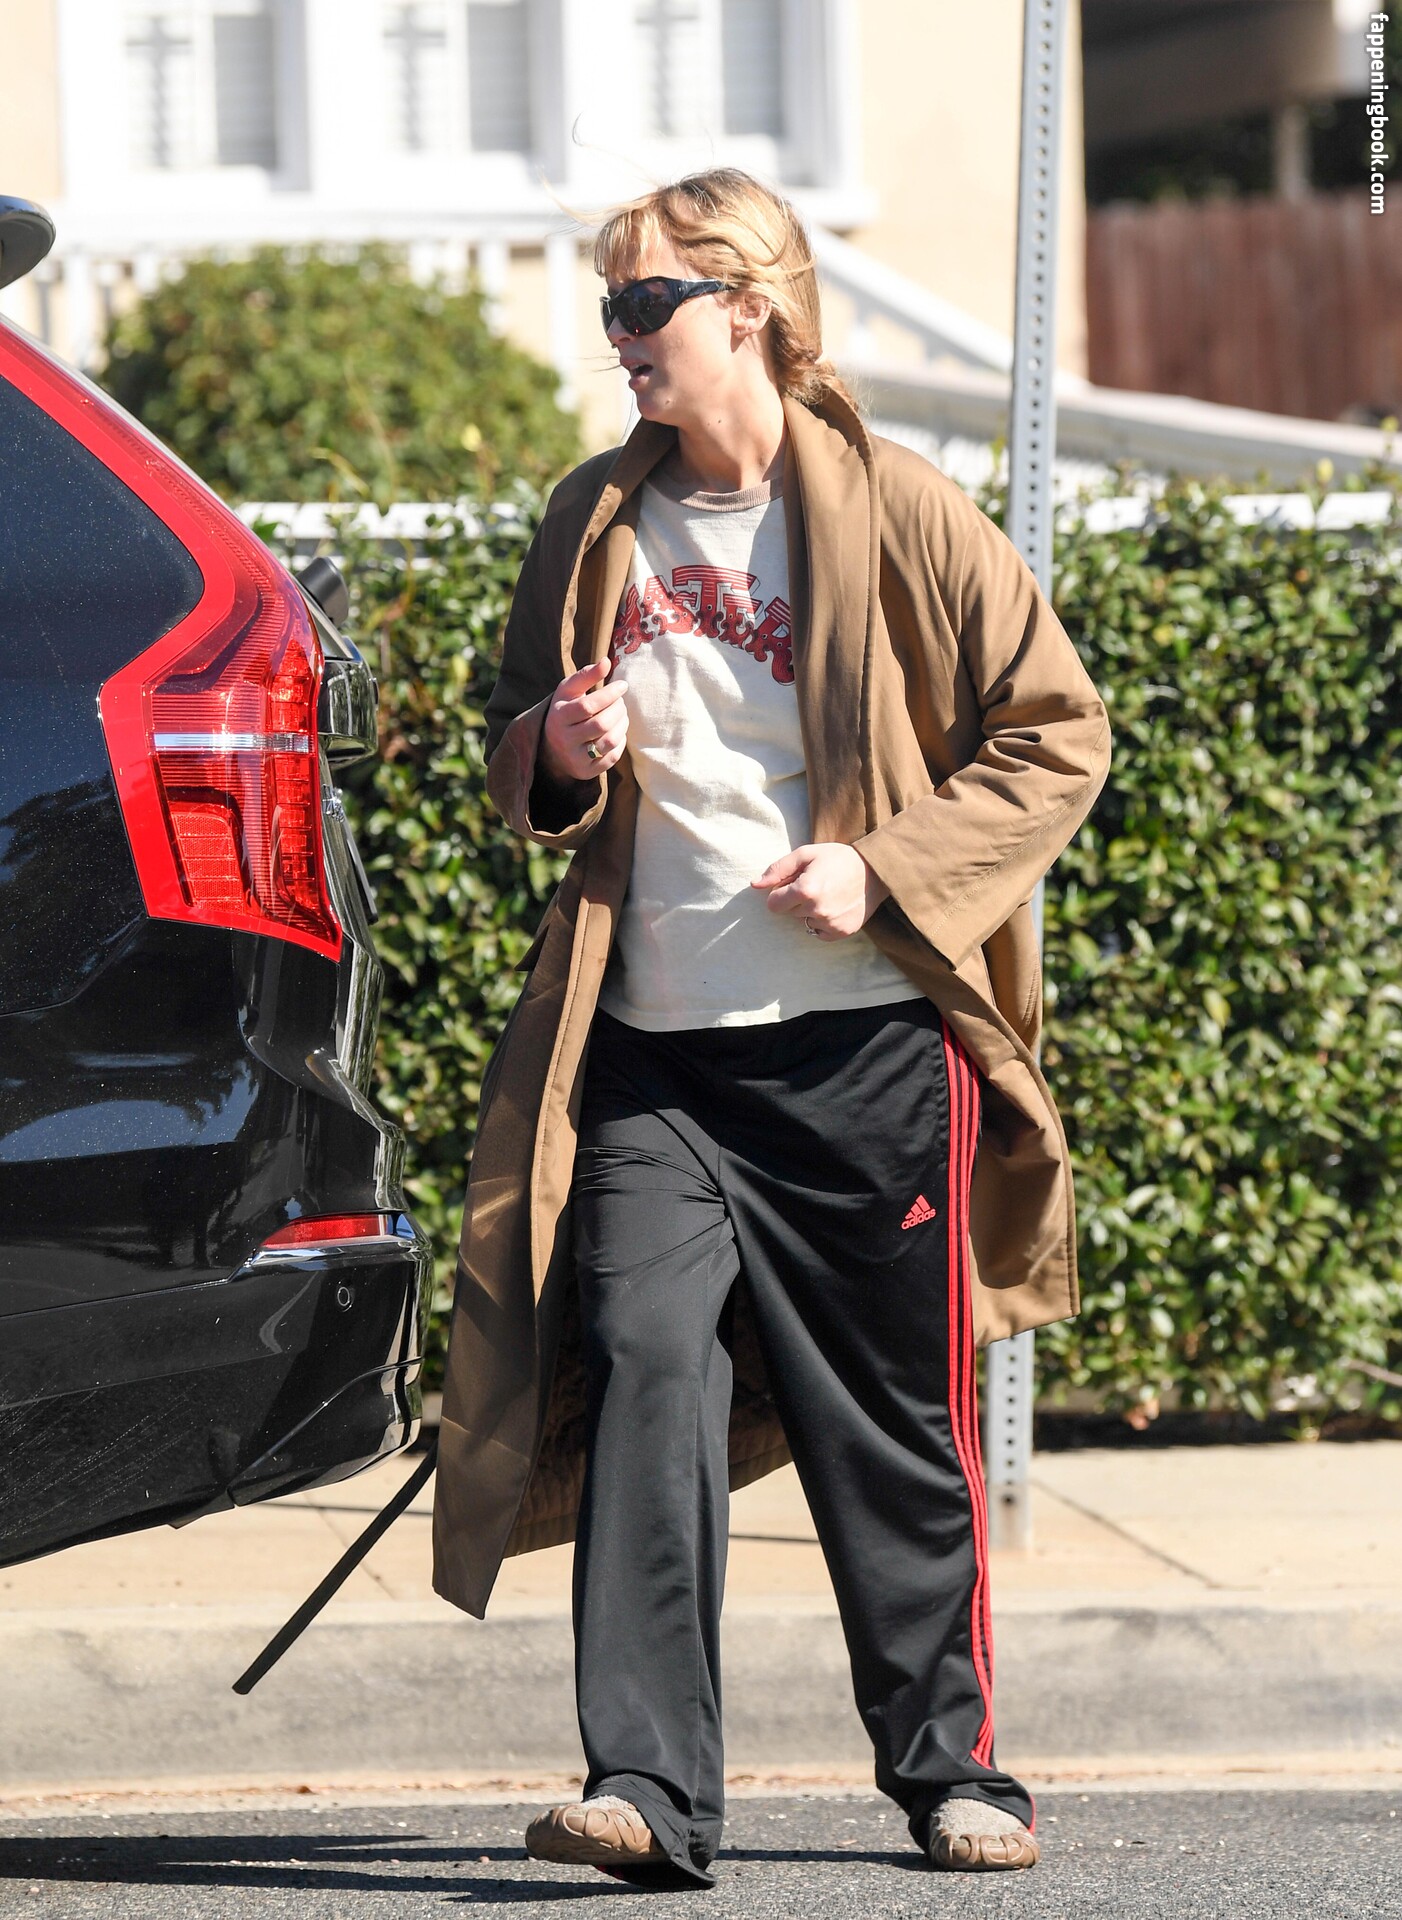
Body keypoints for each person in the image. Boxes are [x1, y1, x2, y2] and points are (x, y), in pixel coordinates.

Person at [429, 167, 1112, 1887]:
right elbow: (515, 740)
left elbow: (1055, 734)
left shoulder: (901, 512)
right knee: (644, 1375)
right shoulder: (594, 517)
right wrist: (554, 752)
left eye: (641, 302)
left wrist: (885, 871)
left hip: (862, 1058)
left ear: (747, 306)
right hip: (651, 1059)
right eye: (608, 304)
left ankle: (953, 1774)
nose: (616, 334)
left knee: (886, 1426)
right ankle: (647, 1791)